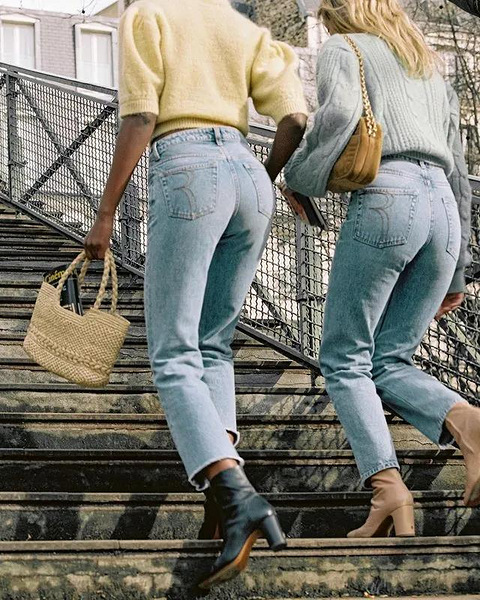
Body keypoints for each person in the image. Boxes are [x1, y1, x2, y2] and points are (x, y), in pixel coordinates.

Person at [83, 0, 308, 588]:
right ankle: (220, 504)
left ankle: (236, 496)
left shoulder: (148, 14)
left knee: (173, 350)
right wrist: (262, 175)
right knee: (213, 346)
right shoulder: (240, 26)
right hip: (249, 176)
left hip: (186, 167)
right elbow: (294, 116)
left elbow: (140, 117)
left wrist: (105, 213)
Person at [284, 0, 478, 538]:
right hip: (443, 212)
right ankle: (469, 426)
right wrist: (457, 270)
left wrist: (297, 175)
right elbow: (459, 172)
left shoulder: (344, 48)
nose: (324, 22)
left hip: (389, 197)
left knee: (343, 357)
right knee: (387, 361)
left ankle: (388, 487)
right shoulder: (428, 63)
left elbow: (338, 118)